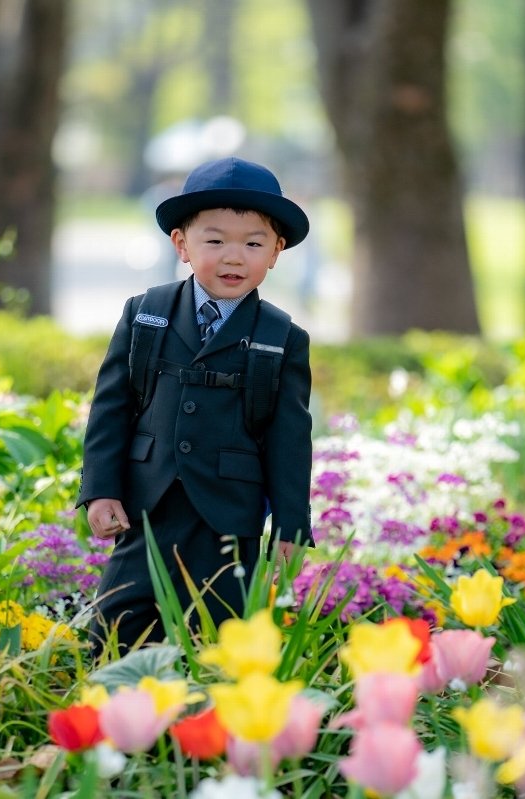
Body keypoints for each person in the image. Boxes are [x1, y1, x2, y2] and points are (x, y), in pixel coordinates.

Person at [77, 157, 314, 656]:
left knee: (223, 638)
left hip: (231, 517)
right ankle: (116, 717)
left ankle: (209, 726)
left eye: (253, 243)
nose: (234, 257)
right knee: (117, 626)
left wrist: (291, 527)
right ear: (181, 245)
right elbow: (110, 409)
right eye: (215, 240)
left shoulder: (282, 338)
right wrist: (100, 491)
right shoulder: (145, 315)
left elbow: (289, 438)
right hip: (149, 506)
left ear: (276, 252)